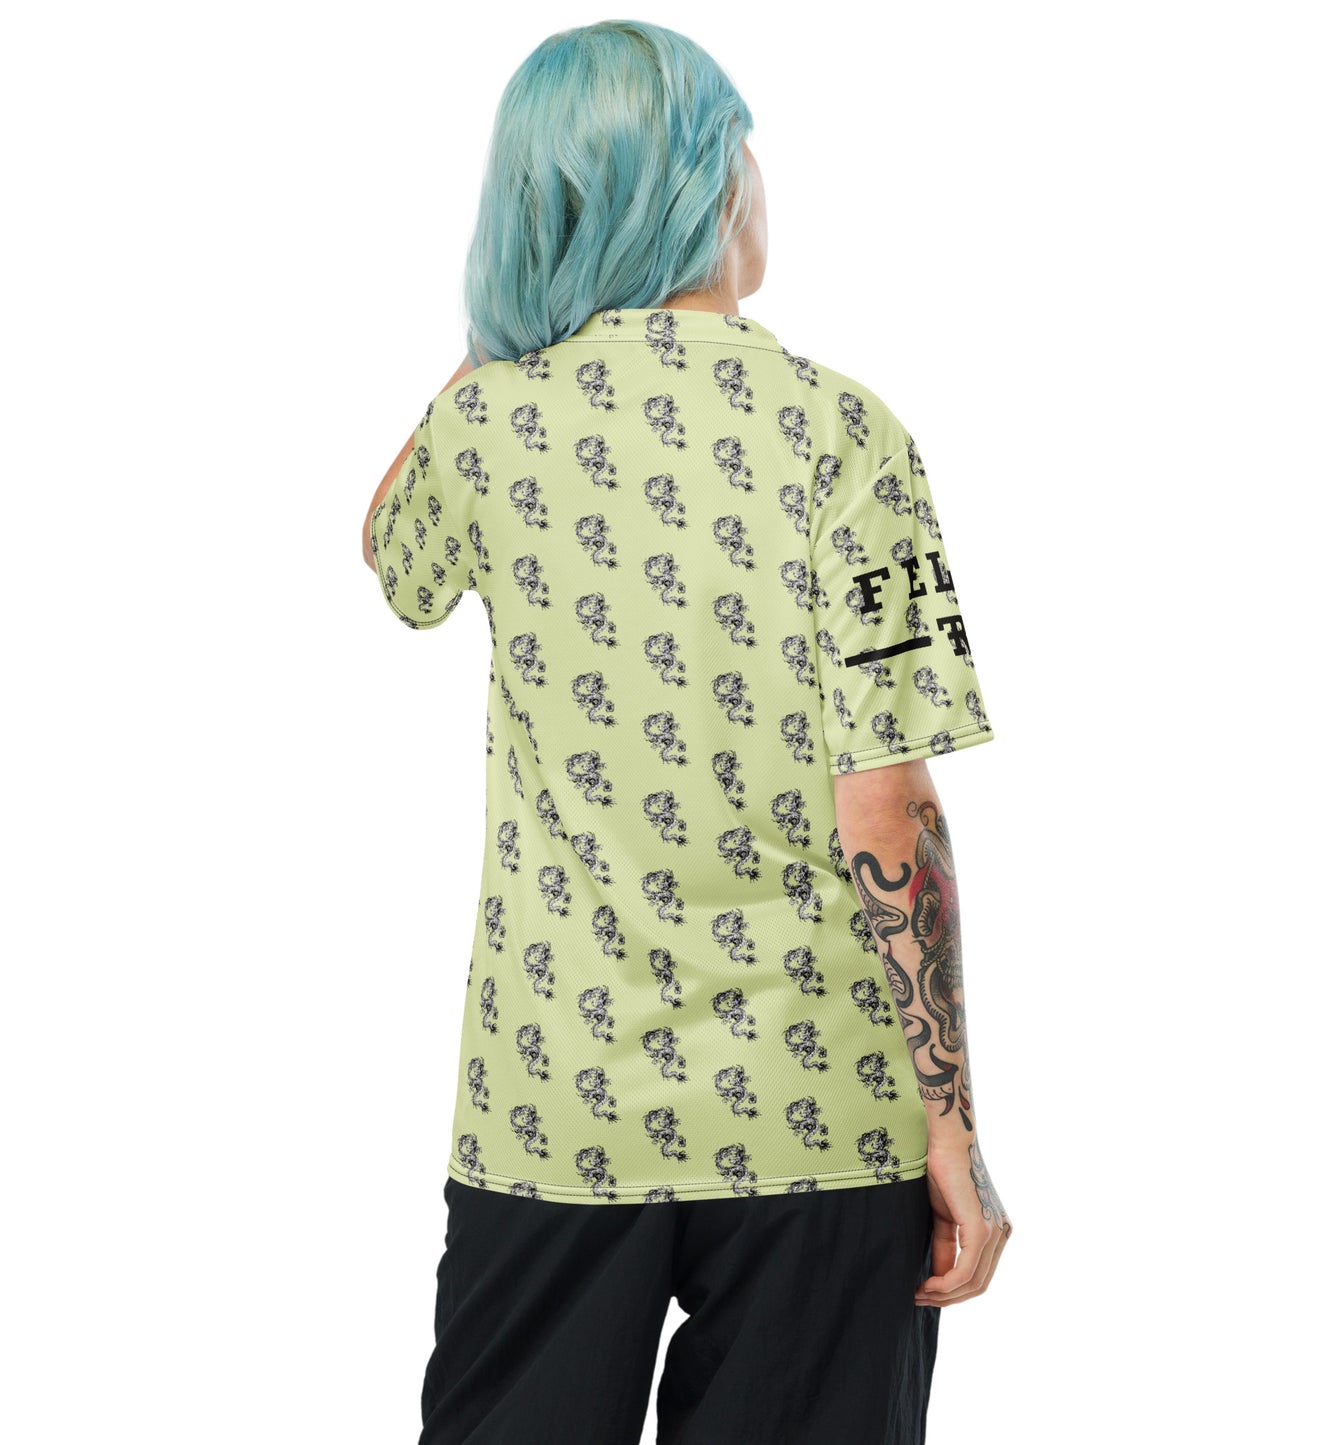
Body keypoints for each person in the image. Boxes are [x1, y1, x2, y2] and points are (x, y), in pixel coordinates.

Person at [361, 20, 1012, 1445]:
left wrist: (506, 327)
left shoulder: (489, 429)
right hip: (818, 1107)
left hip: (556, 1106)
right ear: (705, 185)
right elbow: (888, 810)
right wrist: (951, 1127)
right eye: (741, 148)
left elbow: (394, 562)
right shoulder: (846, 434)